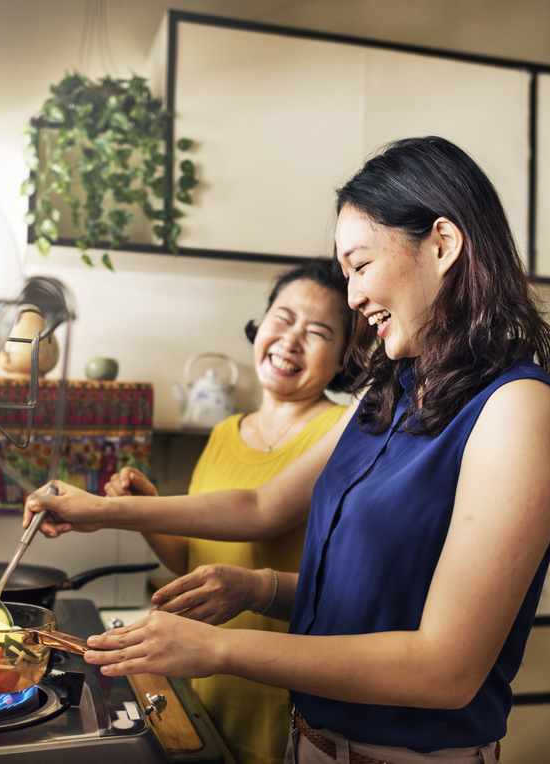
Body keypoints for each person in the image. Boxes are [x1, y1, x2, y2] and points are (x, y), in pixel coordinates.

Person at [24, 136, 550, 764]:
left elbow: (444, 668)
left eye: (361, 267)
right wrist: (258, 587)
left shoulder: (518, 412)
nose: (352, 298)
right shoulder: (390, 396)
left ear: (443, 244)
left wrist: (218, 649)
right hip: (309, 742)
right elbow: (270, 509)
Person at [104, 259, 357, 764]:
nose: (291, 340)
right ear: (259, 326)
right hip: (203, 686)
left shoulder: (348, 428)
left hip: (286, 696)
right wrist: (144, 507)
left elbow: (260, 514)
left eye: (318, 332)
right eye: (282, 319)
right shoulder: (225, 432)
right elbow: (190, 564)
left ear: (344, 359)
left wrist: (101, 511)